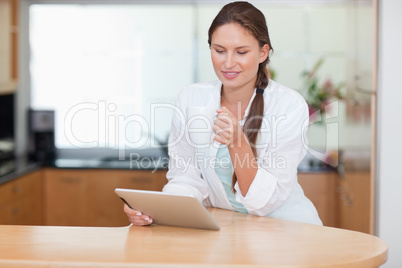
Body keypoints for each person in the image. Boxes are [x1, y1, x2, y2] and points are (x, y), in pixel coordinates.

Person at [124, 1, 322, 226]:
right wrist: (155, 211)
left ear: (262, 52)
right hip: (227, 226)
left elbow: (265, 203)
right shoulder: (192, 99)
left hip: (286, 227)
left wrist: (238, 143)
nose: (228, 63)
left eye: (241, 52)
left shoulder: (288, 105)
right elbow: (186, 179)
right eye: (219, 51)